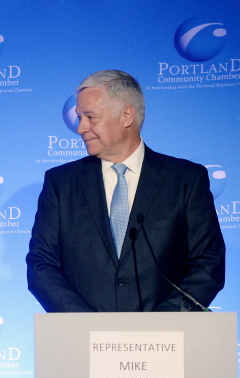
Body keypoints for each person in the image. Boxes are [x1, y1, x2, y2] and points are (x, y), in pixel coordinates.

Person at [26, 70, 225, 312]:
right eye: (79, 117)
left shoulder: (185, 179)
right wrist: (86, 326)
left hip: (165, 341)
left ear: (126, 116)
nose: (80, 128)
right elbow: (42, 265)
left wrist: (159, 326)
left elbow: (208, 262)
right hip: (83, 341)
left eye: (90, 117)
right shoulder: (61, 183)